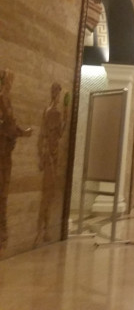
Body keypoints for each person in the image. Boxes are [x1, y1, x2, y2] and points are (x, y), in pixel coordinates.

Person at [0, 69, 32, 251]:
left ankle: (2, 229)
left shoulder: (6, 99)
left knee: (4, 191)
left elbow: (11, 125)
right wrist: (22, 132)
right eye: (9, 79)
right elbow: (9, 125)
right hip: (2, 150)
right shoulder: (2, 98)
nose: (11, 82)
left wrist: (23, 132)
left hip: (6, 151)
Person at [35, 83, 66, 246]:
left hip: (52, 154)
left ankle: (44, 228)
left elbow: (50, 134)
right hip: (50, 155)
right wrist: (66, 115)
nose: (58, 96)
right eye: (57, 92)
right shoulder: (53, 112)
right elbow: (52, 133)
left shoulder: (50, 111)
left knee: (48, 193)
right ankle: (43, 229)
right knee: (47, 193)